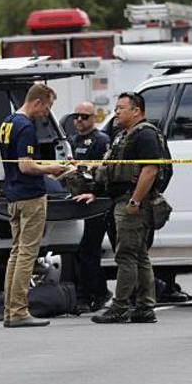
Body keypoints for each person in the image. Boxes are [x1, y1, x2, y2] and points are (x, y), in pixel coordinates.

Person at [0, 84, 68, 328]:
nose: (46, 113)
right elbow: (26, 166)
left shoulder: (7, 122)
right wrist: (51, 169)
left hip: (14, 196)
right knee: (27, 254)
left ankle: (9, 310)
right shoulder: (26, 127)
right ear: (37, 102)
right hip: (30, 196)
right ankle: (18, 311)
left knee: (16, 254)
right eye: (47, 107)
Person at [91, 93, 162, 324]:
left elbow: (150, 170)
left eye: (121, 108)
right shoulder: (123, 135)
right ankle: (144, 307)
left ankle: (120, 306)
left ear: (137, 110)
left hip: (131, 202)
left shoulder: (146, 134)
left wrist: (135, 200)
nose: (116, 112)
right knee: (139, 256)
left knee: (126, 255)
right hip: (121, 199)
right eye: (116, 108)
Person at [67, 101, 112, 313]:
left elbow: (104, 172)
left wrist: (96, 193)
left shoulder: (101, 141)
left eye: (85, 116)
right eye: (76, 116)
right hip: (78, 201)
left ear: (94, 118)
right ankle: (99, 291)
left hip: (97, 202)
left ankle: (90, 295)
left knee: (89, 250)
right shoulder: (71, 141)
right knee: (83, 251)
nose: (79, 120)